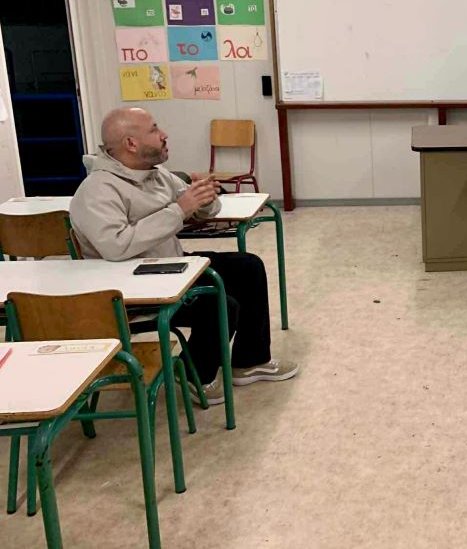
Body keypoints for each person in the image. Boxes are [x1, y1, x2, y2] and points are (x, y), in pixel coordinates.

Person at [70, 107, 298, 404]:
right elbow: (116, 246)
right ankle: (196, 375)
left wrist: (204, 199)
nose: (163, 135)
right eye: (154, 129)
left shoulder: (156, 175)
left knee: (247, 267)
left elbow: (202, 210)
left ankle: (250, 361)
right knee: (220, 304)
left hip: (168, 266)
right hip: (132, 288)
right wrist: (179, 210)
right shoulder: (97, 190)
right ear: (131, 143)